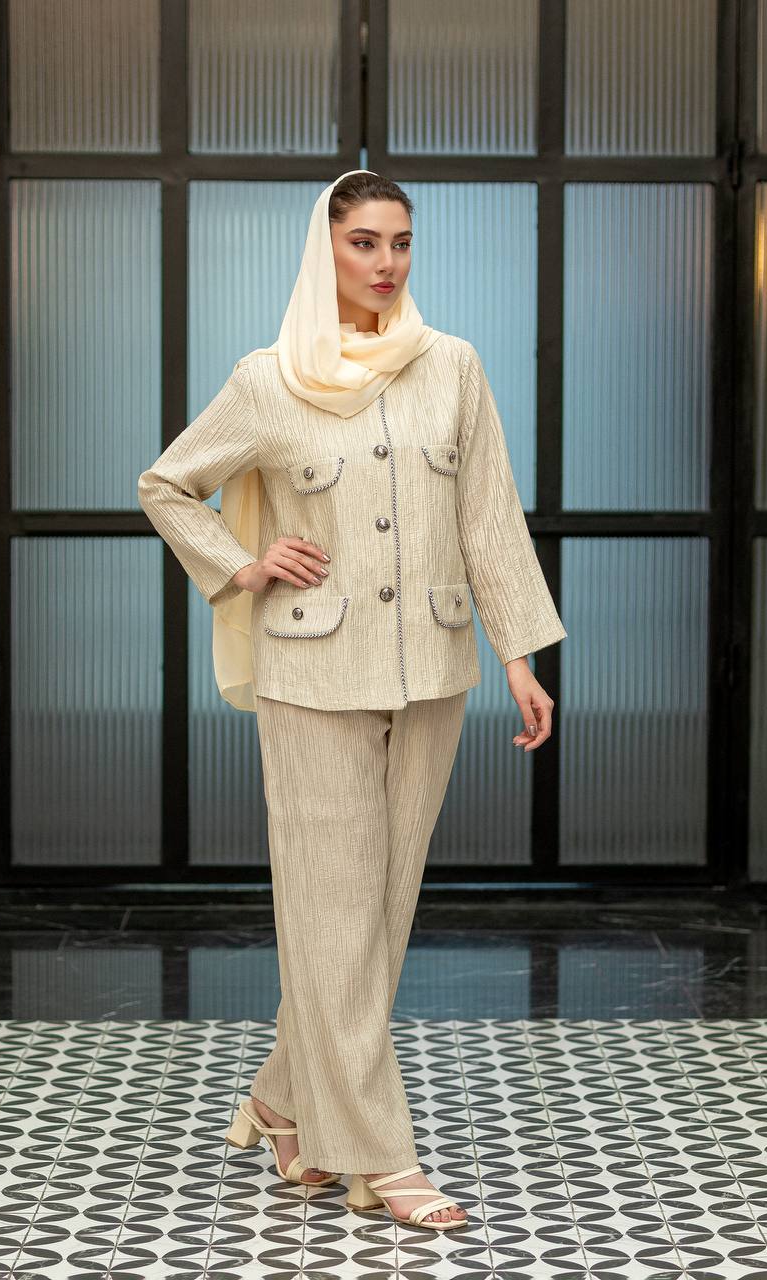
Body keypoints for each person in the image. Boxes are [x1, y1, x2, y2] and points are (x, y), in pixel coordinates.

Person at [137, 169, 567, 1231]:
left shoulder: (451, 366)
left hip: (434, 672)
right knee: (331, 918)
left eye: (400, 242)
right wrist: (241, 565)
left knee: (376, 917)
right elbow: (166, 484)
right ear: (323, 247)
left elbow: (488, 516)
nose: (385, 263)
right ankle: (381, 1157)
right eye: (364, 242)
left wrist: (519, 654)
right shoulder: (269, 379)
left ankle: (282, 1102)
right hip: (313, 677)